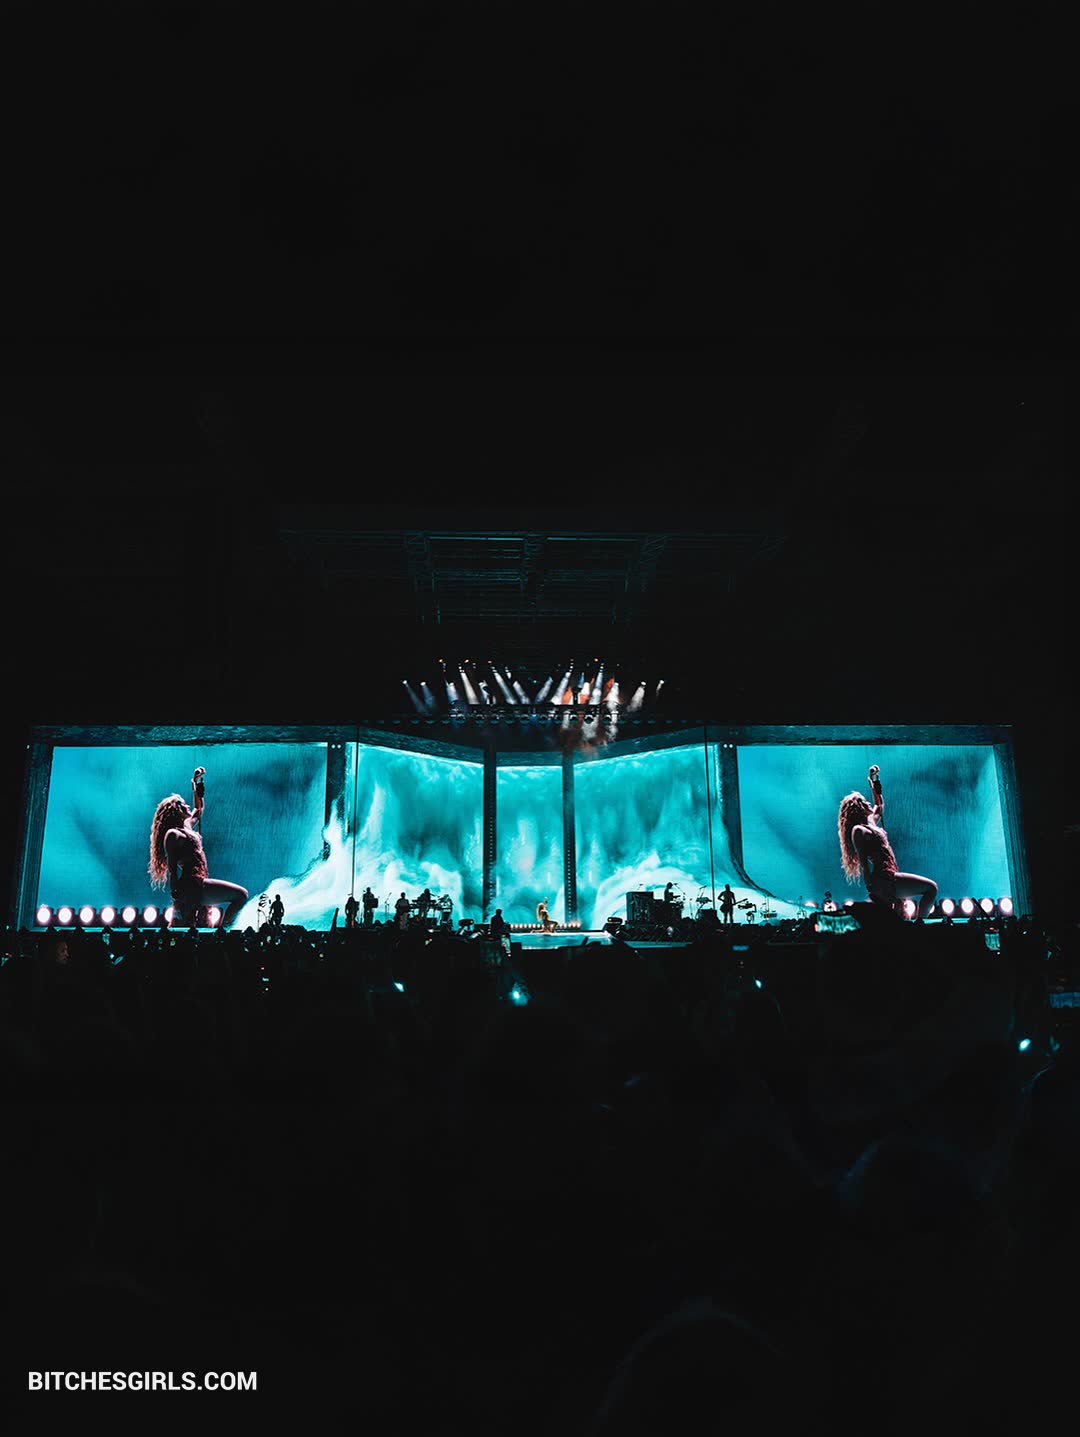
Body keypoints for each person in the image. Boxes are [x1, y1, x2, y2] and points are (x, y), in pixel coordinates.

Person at [148, 768, 249, 929]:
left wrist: (195, 783)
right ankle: (223, 932)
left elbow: (199, 809)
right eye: (183, 804)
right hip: (190, 885)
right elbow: (172, 870)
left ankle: (222, 932)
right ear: (176, 810)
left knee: (192, 926)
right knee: (240, 895)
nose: (188, 806)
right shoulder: (173, 834)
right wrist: (176, 899)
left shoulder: (187, 826)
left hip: (199, 882)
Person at [838, 763, 938, 920]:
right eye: (864, 802)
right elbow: (864, 862)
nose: (868, 803)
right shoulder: (858, 830)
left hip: (890, 875)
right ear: (858, 808)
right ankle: (920, 925)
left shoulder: (871, 822)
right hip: (883, 879)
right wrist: (870, 887)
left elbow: (879, 805)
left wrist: (873, 780)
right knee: (931, 888)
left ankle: (917, 926)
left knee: (894, 920)